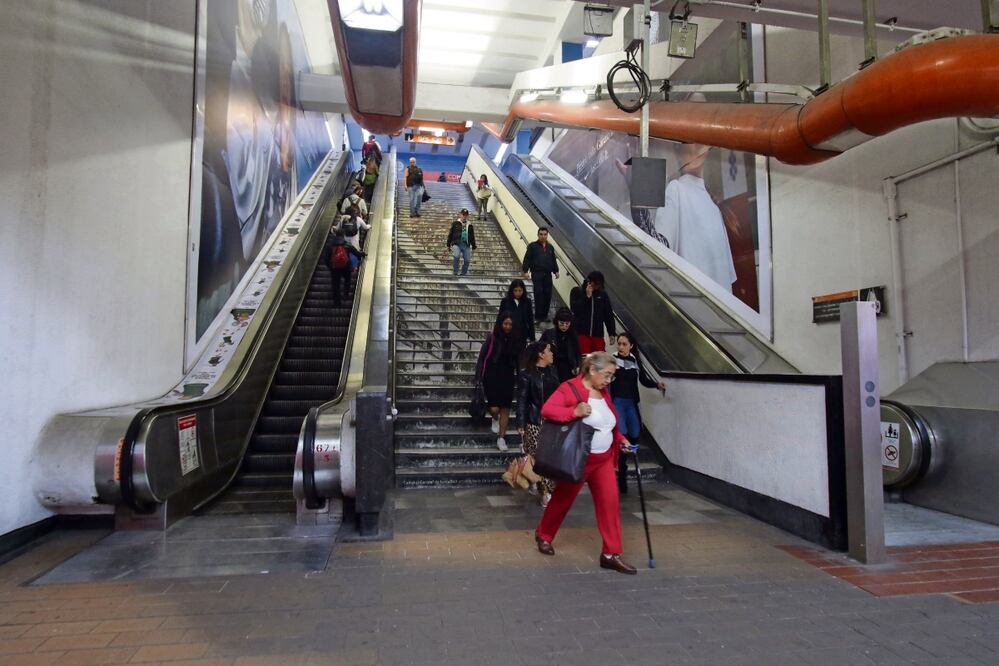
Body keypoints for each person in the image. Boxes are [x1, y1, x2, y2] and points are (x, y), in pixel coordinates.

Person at [534, 352, 637, 575]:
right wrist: (574, 411)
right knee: (563, 499)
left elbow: (608, 423)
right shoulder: (569, 388)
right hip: (579, 459)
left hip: (603, 461)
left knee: (610, 503)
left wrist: (620, 440)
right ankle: (544, 534)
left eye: (612, 376)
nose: (609, 381)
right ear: (592, 370)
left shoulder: (603, 392)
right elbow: (547, 410)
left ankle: (610, 554)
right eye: (607, 375)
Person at [653, 141, 737, 292]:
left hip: (711, 308)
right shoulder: (676, 189)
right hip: (699, 308)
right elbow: (659, 249)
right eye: (685, 143)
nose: (694, 147)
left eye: (698, 141)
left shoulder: (714, 207)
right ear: (677, 154)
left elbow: (726, 276)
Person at [611, 332, 666, 494]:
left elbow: (642, 380)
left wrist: (657, 385)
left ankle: (624, 463)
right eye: (619, 343)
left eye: (624, 344)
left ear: (631, 346)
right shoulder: (612, 360)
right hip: (618, 402)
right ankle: (620, 473)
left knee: (635, 434)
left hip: (631, 402)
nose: (620, 347)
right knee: (623, 435)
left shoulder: (635, 360)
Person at [517, 341, 560, 507]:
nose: (552, 353)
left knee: (550, 459)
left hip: (553, 421)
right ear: (541, 355)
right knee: (539, 459)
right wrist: (521, 422)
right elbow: (522, 399)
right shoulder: (526, 375)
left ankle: (545, 488)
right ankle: (546, 492)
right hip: (534, 421)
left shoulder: (553, 371)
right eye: (549, 351)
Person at [475, 312, 521, 451]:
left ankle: (501, 438)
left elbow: (518, 360)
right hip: (492, 374)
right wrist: (478, 376)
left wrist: (519, 377)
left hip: (508, 376)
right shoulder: (492, 337)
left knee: (506, 409)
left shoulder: (515, 339)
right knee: (494, 408)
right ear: (500, 324)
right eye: (505, 324)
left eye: (510, 324)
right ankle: (494, 418)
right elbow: (482, 357)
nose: (508, 327)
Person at [569, 271, 616, 354]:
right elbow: (574, 309)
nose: (597, 287)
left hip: (597, 334)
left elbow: (608, 314)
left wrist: (611, 332)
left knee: (599, 360)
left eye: (599, 285)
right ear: (589, 282)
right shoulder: (576, 291)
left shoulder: (603, 295)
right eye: (596, 284)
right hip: (581, 333)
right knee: (585, 359)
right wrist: (587, 297)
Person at [521, 227, 560, 322]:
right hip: (537, 273)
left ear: (547, 235)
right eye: (541, 234)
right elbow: (527, 259)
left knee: (548, 294)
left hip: (547, 274)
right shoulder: (532, 246)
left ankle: (545, 315)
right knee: (539, 294)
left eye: (545, 234)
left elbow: (553, 260)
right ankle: (538, 316)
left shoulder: (550, 247)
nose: (543, 236)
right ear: (538, 235)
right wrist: (525, 271)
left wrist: (556, 270)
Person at [324, 229, 365, 307]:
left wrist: (331, 267)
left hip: (335, 269)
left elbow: (326, 259)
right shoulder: (346, 244)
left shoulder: (330, 245)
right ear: (343, 235)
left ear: (336, 235)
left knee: (335, 285)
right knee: (347, 281)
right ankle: (346, 296)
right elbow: (356, 253)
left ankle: (337, 303)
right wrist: (362, 254)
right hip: (346, 267)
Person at [540, 307, 581, 382]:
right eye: (562, 323)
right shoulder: (548, 333)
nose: (564, 326)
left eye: (567, 324)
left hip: (568, 367)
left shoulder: (573, 335)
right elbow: (539, 348)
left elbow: (577, 353)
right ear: (557, 321)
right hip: (552, 366)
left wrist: (577, 366)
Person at [497, 279, 535, 343]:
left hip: (522, 334)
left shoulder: (527, 301)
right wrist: (497, 333)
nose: (518, 293)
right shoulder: (505, 301)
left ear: (523, 290)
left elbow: (530, 320)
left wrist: (532, 338)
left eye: (520, 290)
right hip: (507, 333)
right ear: (512, 290)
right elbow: (500, 318)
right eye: (515, 290)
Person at [446, 208, 476, 276]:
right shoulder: (455, 223)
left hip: (466, 244)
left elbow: (472, 236)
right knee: (456, 255)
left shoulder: (470, 225)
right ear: (460, 215)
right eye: (463, 215)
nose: (464, 216)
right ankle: (455, 271)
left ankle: (463, 272)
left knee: (467, 260)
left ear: (467, 216)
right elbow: (450, 234)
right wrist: (448, 245)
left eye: (466, 215)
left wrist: (474, 246)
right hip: (457, 243)